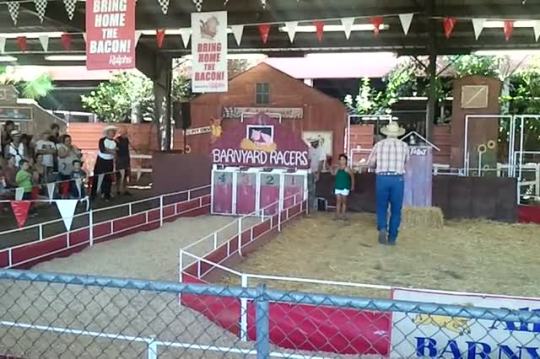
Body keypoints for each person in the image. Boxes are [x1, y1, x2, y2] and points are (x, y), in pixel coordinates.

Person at [367, 122, 409, 246]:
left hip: (382, 178)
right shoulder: (404, 146)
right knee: (396, 210)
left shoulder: (379, 145)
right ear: (397, 133)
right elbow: (407, 162)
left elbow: (370, 163)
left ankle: (382, 227)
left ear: (386, 133)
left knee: (382, 206)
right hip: (398, 179)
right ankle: (392, 237)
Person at [91, 126, 117, 201]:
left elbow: (116, 151)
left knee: (108, 178)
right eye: (110, 132)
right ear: (107, 133)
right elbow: (102, 150)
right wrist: (111, 150)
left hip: (109, 161)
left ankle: (106, 194)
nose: (112, 134)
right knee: (96, 176)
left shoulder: (115, 142)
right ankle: (93, 194)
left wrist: (109, 150)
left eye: (113, 132)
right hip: (101, 160)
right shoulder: (102, 140)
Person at [331, 154, 355, 220]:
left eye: (343, 159)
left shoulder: (347, 169)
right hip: (338, 186)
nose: (342, 161)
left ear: (346, 161)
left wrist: (352, 185)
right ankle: (337, 215)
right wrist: (331, 167)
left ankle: (343, 215)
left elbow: (352, 177)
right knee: (338, 201)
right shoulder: (337, 168)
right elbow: (333, 174)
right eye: (340, 159)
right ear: (339, 161)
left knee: (344, 201)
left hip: (345, 187)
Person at [307, 138, 325, 211]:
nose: (311, 144)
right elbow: (309, 160)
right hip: (310, 171)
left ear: (316, 142)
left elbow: (321, 162)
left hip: (317, 172)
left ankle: (313, 207)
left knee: (314, 190)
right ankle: (309, 206)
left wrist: (318, 173)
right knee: (310, 190)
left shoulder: (321, 150)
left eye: (313, 142)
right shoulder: (310, 149)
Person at [115, 128, 131, 196]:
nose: (125, 134)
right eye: (123, 132)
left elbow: (127, 149)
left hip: (126, 158)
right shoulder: (117, 140)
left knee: (126, 175)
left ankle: (125, 189)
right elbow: (115, 149)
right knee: (118, 175)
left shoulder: (126, 140)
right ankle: (118, 189)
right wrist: (116, 158)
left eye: (125, 132)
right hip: (120, 158)